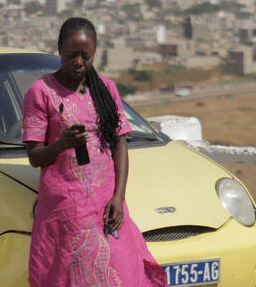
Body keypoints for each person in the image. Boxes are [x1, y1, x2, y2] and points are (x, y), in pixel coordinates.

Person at [23, 17, 167, 287]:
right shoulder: (40, 93)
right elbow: (34, 156)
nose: (79, 62)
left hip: (105, 205)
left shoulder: (106, 89)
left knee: (123, 271)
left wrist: (118, 196)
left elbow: (120, 144)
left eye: (86, 56)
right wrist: (61, 144)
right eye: (72, 55)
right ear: (59, 49)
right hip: (66, 211)